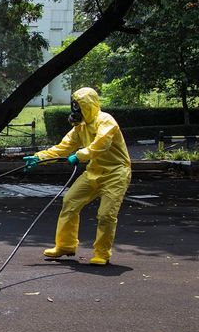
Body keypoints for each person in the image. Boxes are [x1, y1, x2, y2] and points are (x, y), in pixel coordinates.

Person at [23, 87, 131, 265]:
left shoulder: (106, 121)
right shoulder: (80, 128)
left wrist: (80, 156)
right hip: (94, 171)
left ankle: (102, 254)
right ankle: (65, 246)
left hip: (116, 173)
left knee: (105, 215)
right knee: (70, 202)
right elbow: (62, 147)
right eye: (74, 107)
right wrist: (39, 157)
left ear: (87, 106)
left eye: (78, 107)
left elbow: (101, 144)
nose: (75, 112)